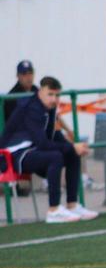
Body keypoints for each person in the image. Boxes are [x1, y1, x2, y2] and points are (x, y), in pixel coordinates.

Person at [0, 76, 97, 223]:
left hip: (31, 151)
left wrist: (75, 147)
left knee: (72, 154)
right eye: (50, 94)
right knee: (55, 156)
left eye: (57, 95)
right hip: (12, 156)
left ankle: (72, 205)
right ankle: (54, 210)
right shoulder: (32, 108)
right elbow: (43, 144)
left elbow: (53, 134)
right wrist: (71, 146)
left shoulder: (49, 108)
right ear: (40, 92)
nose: (54, 99)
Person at [4, 60, 36, 125]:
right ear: (18, 76)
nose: (28, 77)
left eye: (30, 73)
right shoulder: (12, 97)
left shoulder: (37, 90)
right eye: (24, 74)